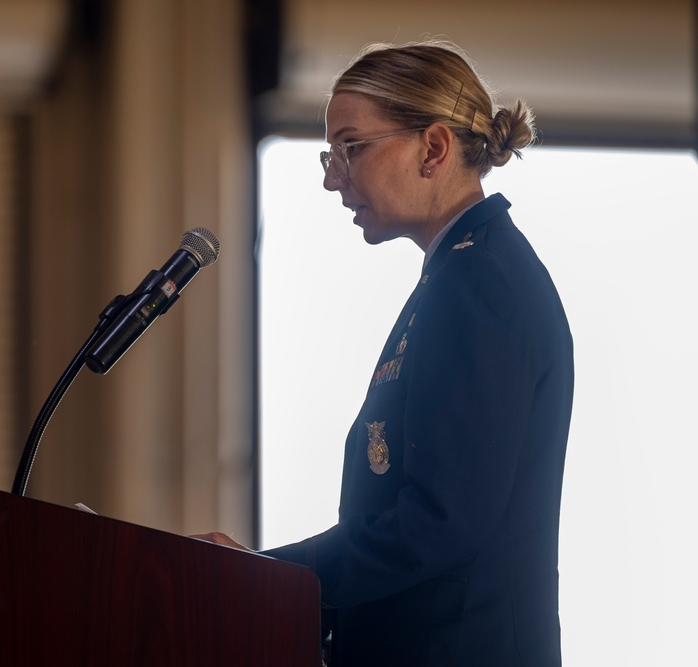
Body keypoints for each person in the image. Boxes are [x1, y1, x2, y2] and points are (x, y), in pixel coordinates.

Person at [195, 40, 574, 666]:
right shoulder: (457, 274)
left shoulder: (483, 282)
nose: (330, 175)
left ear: (433, 148)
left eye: (352, 147)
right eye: (330, 152)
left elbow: (440, 521)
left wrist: (263, 577)